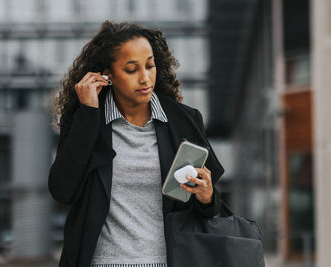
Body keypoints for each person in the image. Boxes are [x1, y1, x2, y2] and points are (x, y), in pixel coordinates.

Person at [48, 20, 225, 267]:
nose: (145, 78)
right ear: (107, 74)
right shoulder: (87, 121)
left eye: (150, 66)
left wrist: (207, 197)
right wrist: (88, 113)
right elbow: (63, 191)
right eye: (131, 69)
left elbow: (209, 208)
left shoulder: (183, 120)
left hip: (170, 261)